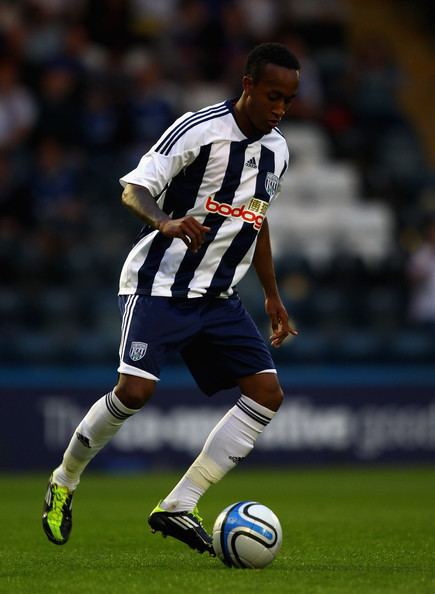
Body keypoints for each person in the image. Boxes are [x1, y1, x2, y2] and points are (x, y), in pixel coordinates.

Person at [42, 42, 300, 555]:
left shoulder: (278, 150)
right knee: (134, 394)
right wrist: (163, 221)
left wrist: (272, 295)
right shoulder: (197, 129)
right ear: (248, 85)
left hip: (218, 296)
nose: (280, 109)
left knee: (267, 394)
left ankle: (179, 505)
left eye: (288, 101)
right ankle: (64, 481)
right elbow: (134, 188)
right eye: (273, 96)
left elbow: (256, 217)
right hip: (157, 284)